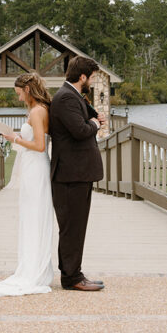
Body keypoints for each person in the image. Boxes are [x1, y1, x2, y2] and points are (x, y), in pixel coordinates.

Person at [0, 73, 55, 296]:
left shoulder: (38, 111)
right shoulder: (37, 110)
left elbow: (40, 145)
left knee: (35, 216)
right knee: (30, 216)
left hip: (37, 167)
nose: (19, 98)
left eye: (19, 94)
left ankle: (34, 271)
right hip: (32, 167)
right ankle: (31, 264)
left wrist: (14, 139)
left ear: (28, 90)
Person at [48, 56, 106, 291]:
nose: (92, 81)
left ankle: (74, 273)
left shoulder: (72, 97)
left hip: (77, 173)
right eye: (91, 77)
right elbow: (81, 131)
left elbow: (83, 120)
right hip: (70, 175)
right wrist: (96, 124)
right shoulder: (65, 99)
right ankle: (71, 278)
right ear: (82, 77)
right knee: (72, 227)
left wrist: (93, 117)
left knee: (76, 226)